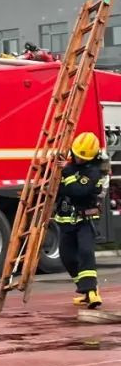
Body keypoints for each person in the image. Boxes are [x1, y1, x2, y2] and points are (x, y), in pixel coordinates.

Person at [55, 131, 108, 308]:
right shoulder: (72, 167)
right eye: (76, 156)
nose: (79, 160)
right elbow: (63, 190)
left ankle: (93, 292)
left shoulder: (93, 172)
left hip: (86, 220)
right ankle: (84, 291)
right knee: (67, 257)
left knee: (85, 252)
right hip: (66, 221)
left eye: (83, 158)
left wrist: (67, 171)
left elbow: (78, 191)